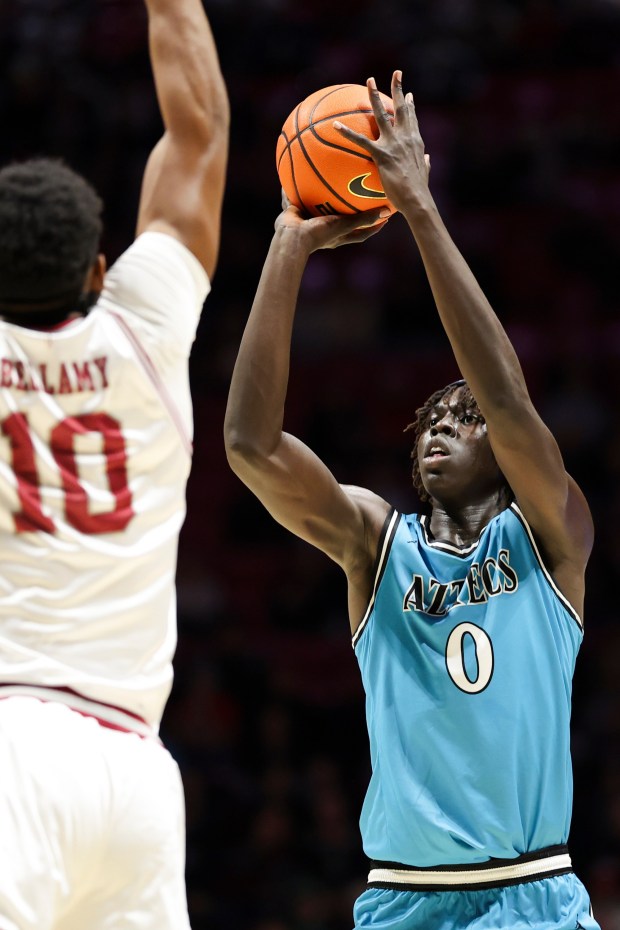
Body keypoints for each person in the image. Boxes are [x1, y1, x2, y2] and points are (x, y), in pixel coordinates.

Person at [224, 71, 600, 930]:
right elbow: (250, 446)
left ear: (502, 457)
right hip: (405, 899)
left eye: (463, 420)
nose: (442, 427)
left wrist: (418, 209)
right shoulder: (373, 544)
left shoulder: (550, 542)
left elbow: (507, 399)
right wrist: (289, 244)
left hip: (536, 890)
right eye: (429, 420)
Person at [0, 1, 228, 927]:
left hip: (15, 746)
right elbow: (199, 129)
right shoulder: (149, 326)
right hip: (136, 773)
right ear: (99, 267)